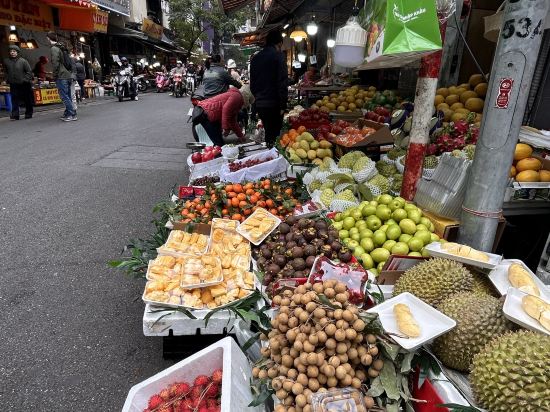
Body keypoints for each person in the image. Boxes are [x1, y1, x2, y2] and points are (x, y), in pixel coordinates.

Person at [250, 31, 288, 148]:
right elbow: (282, 82)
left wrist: (258, 98)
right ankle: (273, 158)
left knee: (268, 134)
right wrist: (283, 105)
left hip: (261, 103)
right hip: (274, 104)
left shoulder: (255, 58)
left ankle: (269, 155)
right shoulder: (279, 56)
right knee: (275, 137)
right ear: (280, 43)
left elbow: (253, 84)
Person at [46, 31, 76, 121]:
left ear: (48, 38)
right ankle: (68, 112)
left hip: (61, 75)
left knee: (64, 96)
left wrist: (54, 75)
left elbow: (55, 63)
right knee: (68, 96)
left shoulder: (54, 49)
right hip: (67, 74)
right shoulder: (62, 47)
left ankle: (72, 114)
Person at [3, 45, 34, 120]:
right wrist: (7, 79)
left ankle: (28, 113)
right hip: (13, 83)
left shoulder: (23, 61)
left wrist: (25, 80)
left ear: (17, 52)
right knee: (14, 99)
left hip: (24, 84)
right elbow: (6, 72)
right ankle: (15, 115)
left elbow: (29, 72)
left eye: (14, 51)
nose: (12, 53)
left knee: (27, 99)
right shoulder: (6, 61)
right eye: (11, 51)